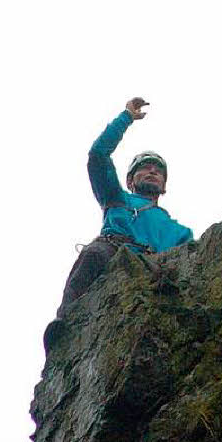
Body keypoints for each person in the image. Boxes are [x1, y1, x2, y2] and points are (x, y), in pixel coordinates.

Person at [44, 97, 193, 351]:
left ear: (164, 186)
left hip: (151, 269)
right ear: (130, 180)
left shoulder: (180, 232)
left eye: (158, 171)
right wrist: (126, 118)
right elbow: (98, 156)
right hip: (113, 251)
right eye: (144, 169)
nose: (152, 172)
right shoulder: (117, 198)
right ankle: (64, 322)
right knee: (94, 253)